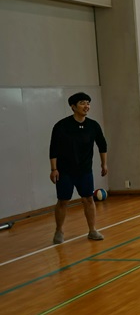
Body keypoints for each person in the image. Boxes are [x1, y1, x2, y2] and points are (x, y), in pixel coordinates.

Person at [49, 92, 108, 245]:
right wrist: (54, 169)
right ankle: (59, 230)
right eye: (82, 103)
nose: (86, 106)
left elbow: (102, 145)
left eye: (88, 103)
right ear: (73, 106)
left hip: (85, 170)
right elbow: (53, 148)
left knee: (88, 199)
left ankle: (92, 230)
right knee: (63, 201)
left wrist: (104, 164)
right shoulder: (61, 126)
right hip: (65, 171)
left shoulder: (93, 125)